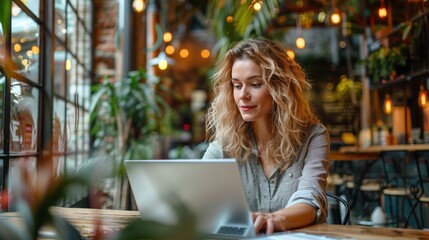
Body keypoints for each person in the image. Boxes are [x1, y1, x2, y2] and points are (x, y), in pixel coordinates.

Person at [202, 38, 330, 234]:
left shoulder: (313, 137)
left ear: (280, 87)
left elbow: (310, 200)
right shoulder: (223, 147)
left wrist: (274, 219)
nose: (243, 95)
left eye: (254, 84)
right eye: (237, 86)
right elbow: (198, 200)